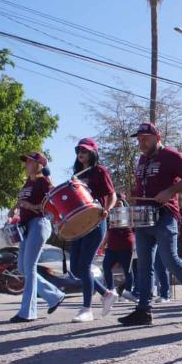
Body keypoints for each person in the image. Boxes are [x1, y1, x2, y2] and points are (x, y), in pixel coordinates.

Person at [119, 123, 182, 326]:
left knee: (170, 259)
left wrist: (170, 192)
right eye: (139, 139)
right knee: (144, 264)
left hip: (165, 216)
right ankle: (143, 310)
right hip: (142, 217)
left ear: (157, 137)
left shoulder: (170, 155)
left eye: (145, 138)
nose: (141, 142)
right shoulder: (142, 159)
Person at [9, 152, 66, 322]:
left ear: (38, 164)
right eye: (26, 161)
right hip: (26, 227)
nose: (26, 163)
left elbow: (53, 202)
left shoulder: (43, 181)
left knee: (30, 267)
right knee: (22, 268)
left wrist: (32, 206)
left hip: (39, 224)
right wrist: (15, 207)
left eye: (29, 161)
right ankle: (55, 295)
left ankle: (27, 312)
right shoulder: (28, 182)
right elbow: (22, 200)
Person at [68, 138, 118, 323]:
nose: (81, 153)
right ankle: (105, 293)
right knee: (75, 267)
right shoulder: (77, 173)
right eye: (78, 150)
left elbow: (111, 194)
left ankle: (86, 309)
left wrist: (108, 209)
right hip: (78, 223)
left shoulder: (100, 171)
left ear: (93, 153)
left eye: (85, 150)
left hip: (96, 221)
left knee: (85, 265)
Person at [101, 195, 137, 303]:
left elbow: (136, 232)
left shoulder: (130, 215)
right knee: (106, 267)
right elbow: (108, 232)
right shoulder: (110, 215)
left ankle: (127, 293)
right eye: (117, 202)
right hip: (112, 248)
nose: (118, 204)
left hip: (126, 247)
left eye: (120, 202)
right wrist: (103, 245)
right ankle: (112, 291)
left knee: (128, 271)